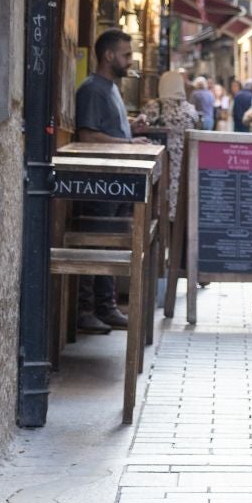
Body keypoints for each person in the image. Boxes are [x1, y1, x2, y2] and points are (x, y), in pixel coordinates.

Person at [72, 28, 145, 335]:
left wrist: (129, 128)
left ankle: (107, 306)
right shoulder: (92, 88)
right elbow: (87, 135)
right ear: (109, 55)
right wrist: (127, 143)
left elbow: (108, 128)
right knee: (95, 241)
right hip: (98, 182)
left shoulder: (111, 88)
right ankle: (86, 308)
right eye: (126, 55)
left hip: (115, 180)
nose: (130, 61)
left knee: (110, 244)